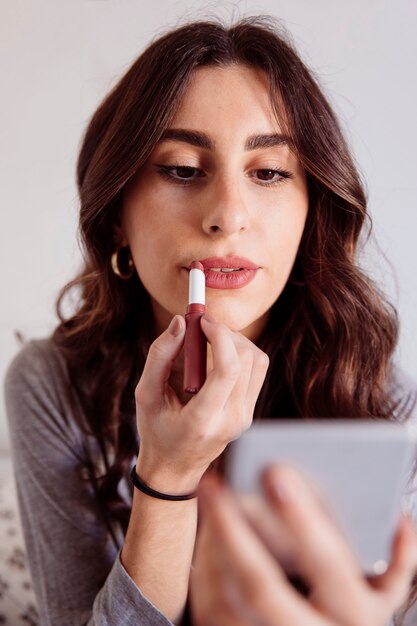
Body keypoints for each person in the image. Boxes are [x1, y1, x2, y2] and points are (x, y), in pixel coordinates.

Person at [4, 15, 417, 626]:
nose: (227, 215)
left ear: (312, 215)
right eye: (181, 169)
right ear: (117, 214)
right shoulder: (54, 385)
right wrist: (167, 475)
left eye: (269, 172)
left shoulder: (377, 403)